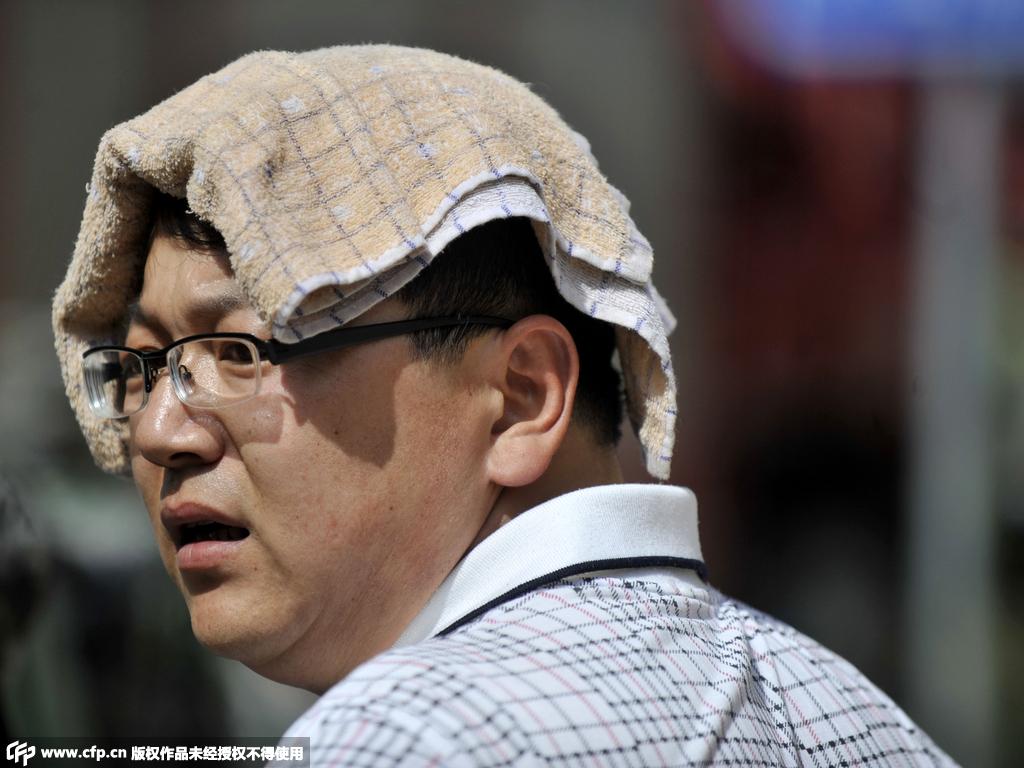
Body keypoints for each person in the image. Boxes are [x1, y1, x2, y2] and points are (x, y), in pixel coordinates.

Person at [53, 45, 955, 766]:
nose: (159, 432)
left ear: (523, 397)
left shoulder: (405, 739)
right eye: (144, 366)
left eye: (238, 354)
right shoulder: (859, 721)